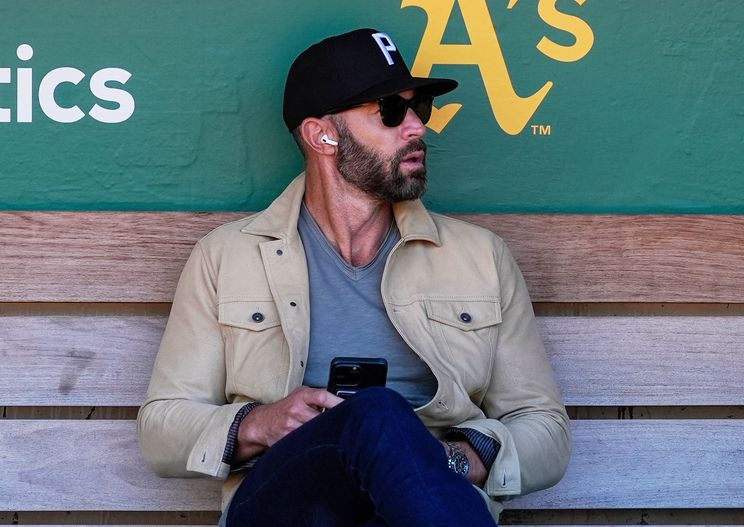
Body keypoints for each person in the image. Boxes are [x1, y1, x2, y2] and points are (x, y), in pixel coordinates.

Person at [137, 28, 570, 527]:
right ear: (321, 134)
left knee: (386, 433)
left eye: (418, 108)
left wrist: (442, 460)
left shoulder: (480, 257)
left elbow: (545, 429)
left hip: (424, 503)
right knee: (376, 412)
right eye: (389, 111)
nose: (415, 128)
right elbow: (161, 430)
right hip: (287, 501)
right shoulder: (227, 257)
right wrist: (259, 424)